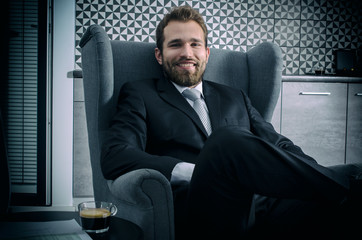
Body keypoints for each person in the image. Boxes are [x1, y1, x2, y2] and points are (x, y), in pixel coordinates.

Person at [101, 5, 362, 239]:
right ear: (159, 55)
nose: (186, 53)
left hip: (263, 204)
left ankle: (344, 188)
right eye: (175, 44)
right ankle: (345, 189)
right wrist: (191, 170)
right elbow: (116, 154)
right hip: (203, 209)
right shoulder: (140, 93)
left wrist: (311, 171)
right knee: (227, 140)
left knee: (349, 175)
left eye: (195, 44)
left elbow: (278, 144)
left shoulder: (235, 96)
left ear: (207, 52)